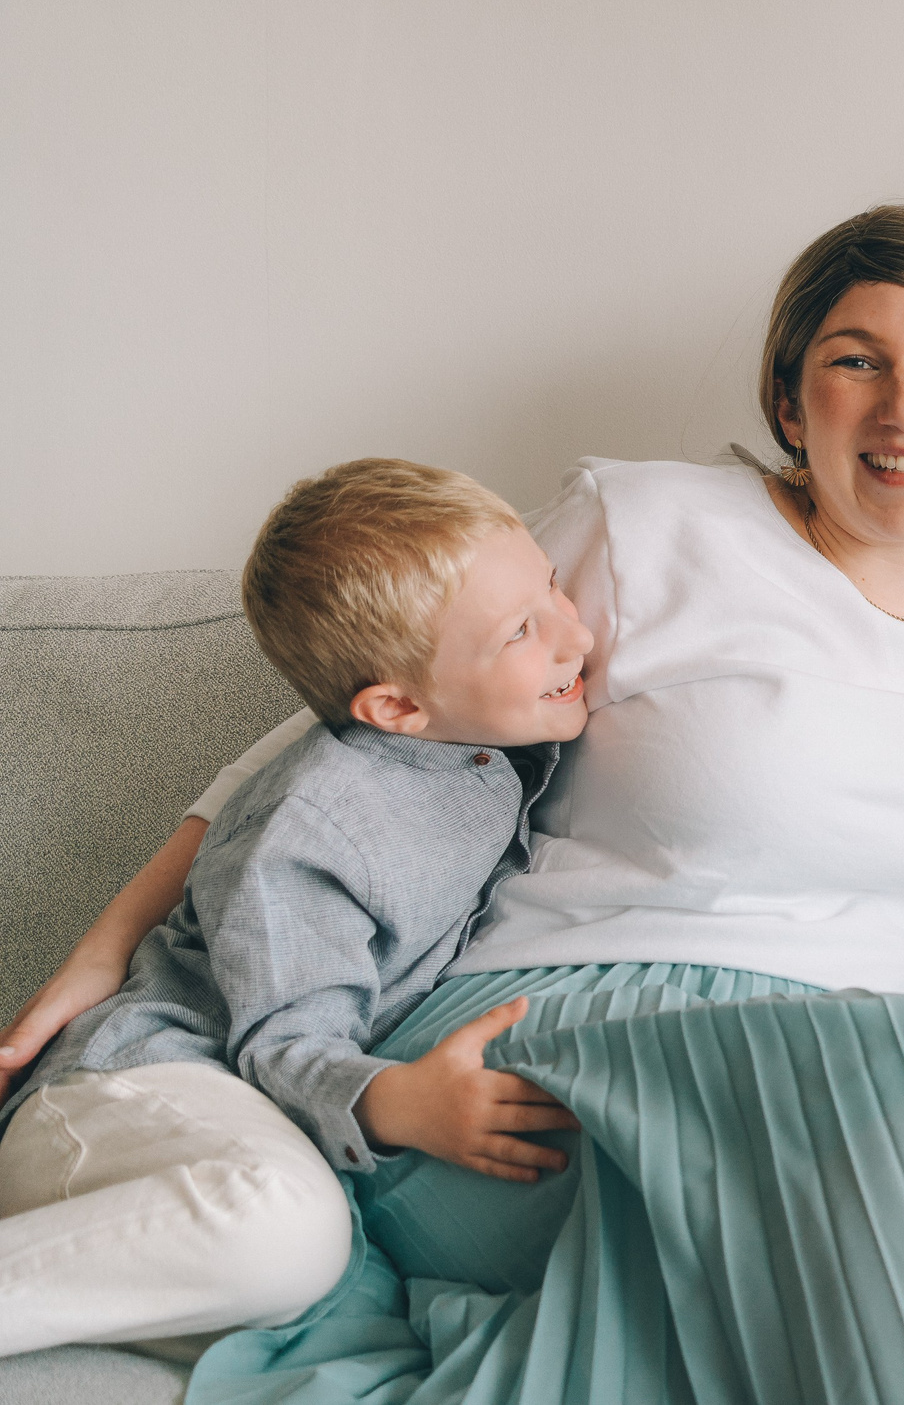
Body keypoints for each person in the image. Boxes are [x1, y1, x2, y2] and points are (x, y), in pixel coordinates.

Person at [4, 204, 904, 1403]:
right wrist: (115, 932)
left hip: (884, 1119)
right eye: (856, 364)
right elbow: (356, 707)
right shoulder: (646, 522)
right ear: (793, 404)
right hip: (544, 1063)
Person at [0, 459, 591, 1356]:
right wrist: (396, 1102)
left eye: (552, 583)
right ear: (396, 706)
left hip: (237, 1132)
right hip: (130, 1098)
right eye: (522, 631)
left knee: (343, 1316)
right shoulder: (317, 826)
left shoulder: (480, 736)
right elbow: (282, 1039)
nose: (575, 633)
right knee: (289, 1232)